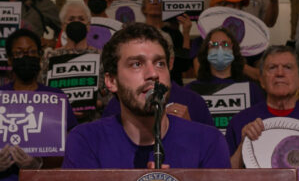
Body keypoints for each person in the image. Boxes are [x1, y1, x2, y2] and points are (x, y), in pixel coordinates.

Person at [62, 22, 230, 171]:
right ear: (111, 81)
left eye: (160, 63)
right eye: (136, 64)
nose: (153, 74)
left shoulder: (209, 142)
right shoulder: (86, 141)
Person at [0, 28, 77, 181]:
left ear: (41, 56)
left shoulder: (56, 98)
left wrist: (39, 164)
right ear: (10, 59)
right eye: (20, 53)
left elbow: (69, 149)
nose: (26, 57)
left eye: (32, 52)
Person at [225, 45, 299, 181]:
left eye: (287, 67)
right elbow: (226, 178)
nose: (279, 73)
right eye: (272, 68)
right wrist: (244, 143)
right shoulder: (241, 120)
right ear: (262, 79)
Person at [42, 1, 110, 122]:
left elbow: (109, 94)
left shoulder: (101, 57)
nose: (76, 23)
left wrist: (91, 104)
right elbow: (43, 91)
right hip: (59, 122)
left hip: (92, 122)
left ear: (88, 25)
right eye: (71, 19)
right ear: (63, 26)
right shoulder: (51, 57)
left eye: (81, 19)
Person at [186, 27, 265, 106]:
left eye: (225, 44)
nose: (220, 49)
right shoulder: (192, 90)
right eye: (214, 45)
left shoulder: (252, 90)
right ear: (206, 51)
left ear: (233, 49)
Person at [142, 0, 192, 85]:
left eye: (160, 1)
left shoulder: (174, 33)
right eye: (151, 0)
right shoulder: (138, 32)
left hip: (171, 85)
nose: (155, 3)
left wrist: (186, 33)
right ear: (144, 8)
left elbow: (183, 65)